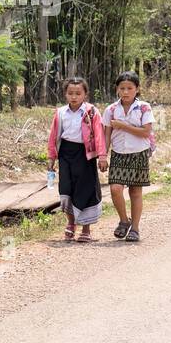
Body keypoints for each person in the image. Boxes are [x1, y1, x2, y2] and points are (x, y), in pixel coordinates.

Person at [46, 77, 108, 243]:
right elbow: (53, 136)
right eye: (70, 93)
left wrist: (102, 156)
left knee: (85, 188)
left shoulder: (92, 112)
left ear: (85, 94)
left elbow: (99, 134)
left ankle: (86, 229)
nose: (74, 96)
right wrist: (51, 157)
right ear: (65, 94)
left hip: (85, 154)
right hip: (66, 153)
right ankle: (71, 223)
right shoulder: (60, 112)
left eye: (78, 93)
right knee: (66, 189)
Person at [102, 71, 155, 243]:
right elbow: (107, 134)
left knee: (135, 191)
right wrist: (103, 154)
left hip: (138, 153)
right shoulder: (110, 110)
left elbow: (146, 132)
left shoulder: (144, 108)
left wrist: (123, 126)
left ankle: (136, 228)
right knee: (115, 189)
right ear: (117, 89)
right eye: (122, 88)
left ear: (137, 89)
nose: (125, 92)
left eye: (130, 88)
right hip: (118, 153)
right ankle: (124, 220)